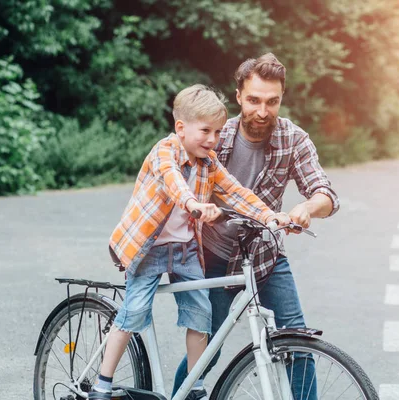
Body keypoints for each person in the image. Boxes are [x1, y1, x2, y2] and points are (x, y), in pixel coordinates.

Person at [89, 84, 289, 400]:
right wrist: (194, 204)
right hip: (149, 250)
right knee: (134, 311)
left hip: (185, 252)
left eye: (218, 132)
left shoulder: (209, 162)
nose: (212, 140)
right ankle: (102, 381)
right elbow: (174, 182)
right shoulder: (164, 151)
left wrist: (269, 216)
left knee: (201, 313)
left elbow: (236, 192)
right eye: (205, 131)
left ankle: (194, 383)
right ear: (181, 128)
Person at [172, 54, 340, 399]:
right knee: (208, 350)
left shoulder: (293, 139)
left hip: (264, 254)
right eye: (253, 100)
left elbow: (326, 194)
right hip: (214, 255)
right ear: (238, 97)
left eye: (271, 102)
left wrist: (308, 207)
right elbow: (171, 175)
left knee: (298, 340)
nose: (262, 111)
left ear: (281, 98)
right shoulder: (217, 135)